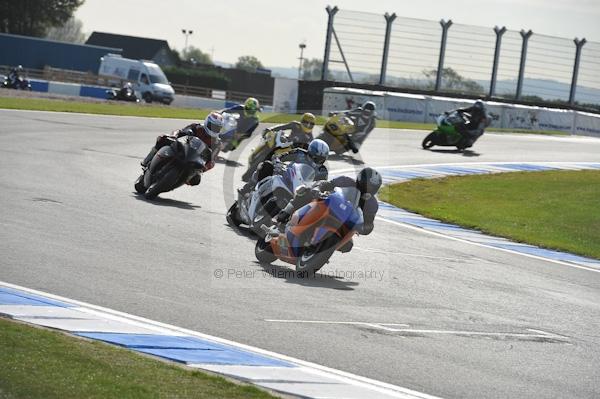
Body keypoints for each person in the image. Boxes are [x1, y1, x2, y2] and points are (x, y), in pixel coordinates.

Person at [275, 167, 382, 251]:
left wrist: (363, 228)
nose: (368, 189)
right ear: (360, 180)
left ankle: (321, 250)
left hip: (343, 222)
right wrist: (318, 188)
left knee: (348, 246)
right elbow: (327, 184)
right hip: (327, 204)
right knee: (306, 191)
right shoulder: (346, 181)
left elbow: (369, 223)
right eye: (367, 185)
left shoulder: (372, 204)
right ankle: (285, 212)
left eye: (372, 188)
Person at [140, 112, 224, 185]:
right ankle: (148, 160)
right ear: (207, 122)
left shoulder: (217, 143)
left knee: (196, 180)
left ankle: (180, 180)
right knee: (162, 138)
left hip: (196, 161)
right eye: (212, 126)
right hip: (183, 149)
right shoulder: (197, 127)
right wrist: (173, 136)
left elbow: (212, 160)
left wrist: (204, 168)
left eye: (217, 128)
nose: (214, 129)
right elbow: (180, 131)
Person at [239, 139, 330, 196]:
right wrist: (278, 162)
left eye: (320, 160)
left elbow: (322, 184)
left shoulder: (323, 171)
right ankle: (247, 187)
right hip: (285, 175)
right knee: (266, 165)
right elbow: (281, 156)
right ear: (309, 152)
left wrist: (320, 191)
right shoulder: (299, 153)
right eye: (315, 158)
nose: (316, 162)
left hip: (301, 190)